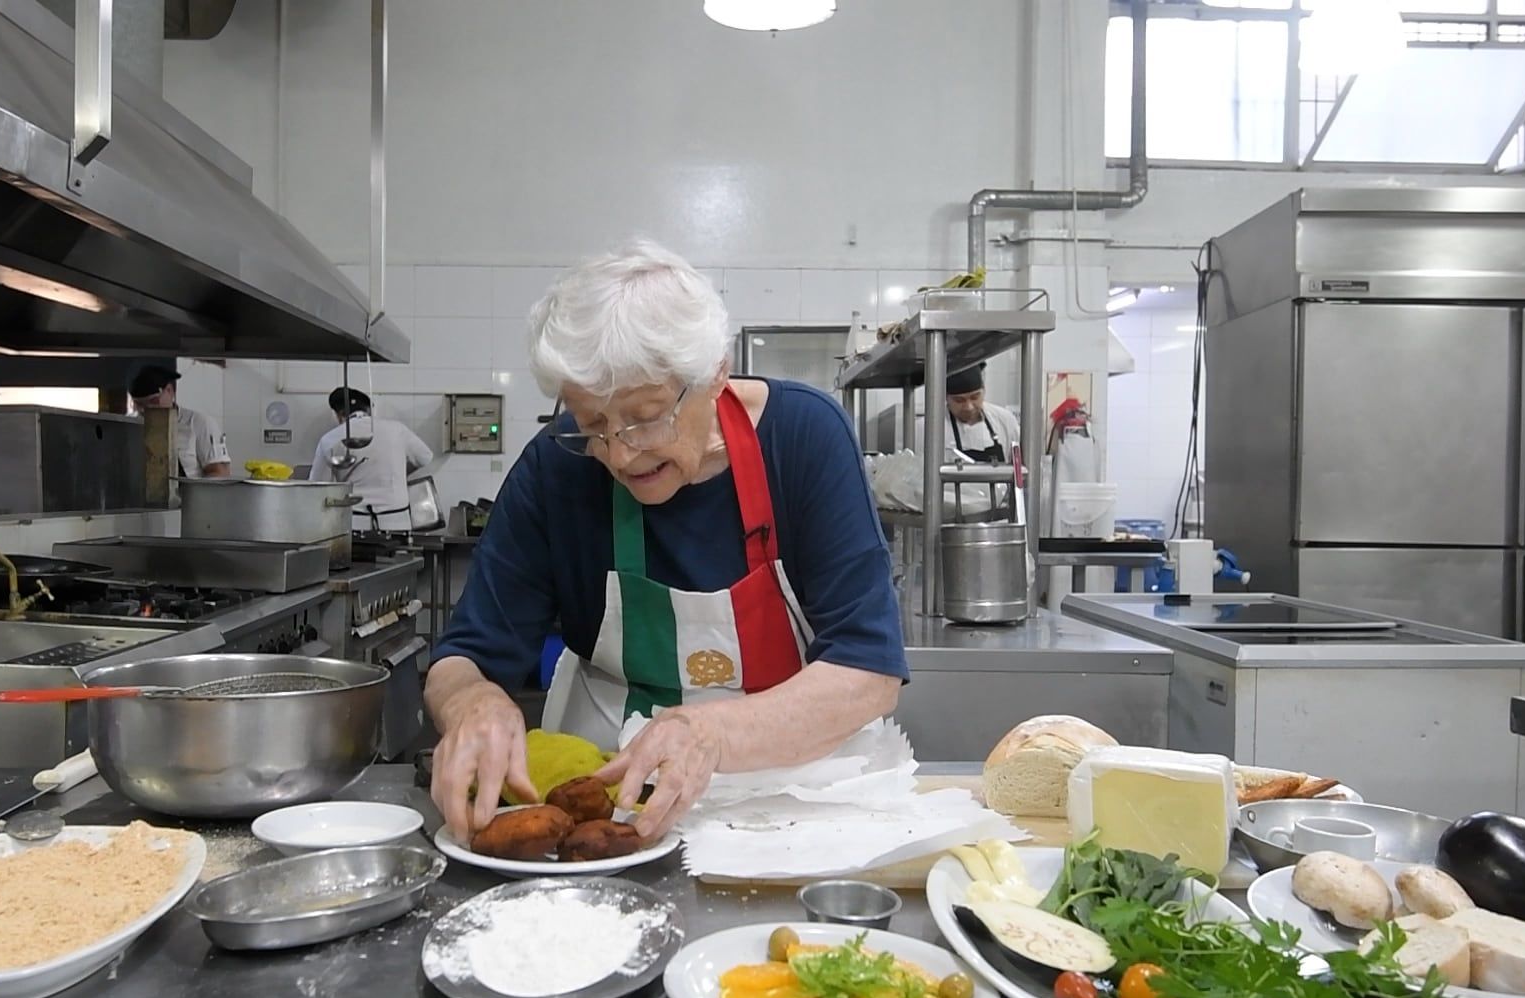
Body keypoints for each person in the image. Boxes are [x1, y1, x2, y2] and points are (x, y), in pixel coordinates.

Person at [426, 240, 906, 845]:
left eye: (646, 415)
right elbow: (462, 655)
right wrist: (471, 701)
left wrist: (712, 733)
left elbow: (867, 671)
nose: (620, 454)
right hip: (607, 806)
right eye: (592, 426)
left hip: (788, 795)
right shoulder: (555, 466)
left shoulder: (805, 437)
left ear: (715, 375)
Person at [309, 386, 434, 532]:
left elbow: (317, 486)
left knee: (355, 556)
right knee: (396, 555)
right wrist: (399, 474)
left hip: (354, 523)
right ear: (369, 409)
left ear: (339, 414)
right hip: (396, 522)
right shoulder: (397, 430)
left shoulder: (329, 439)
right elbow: (425, 457)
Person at [129, 363, 230, 478]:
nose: (146, 409)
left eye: (153, 401)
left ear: (169, 391)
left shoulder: (198, 423)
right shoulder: (132, 426)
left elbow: (220, 473)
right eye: (139, 404)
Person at [941, 363, 1020, 465]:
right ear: (946, 398)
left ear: (984, 391)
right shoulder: (929, 428)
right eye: (959, 400)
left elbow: (1019, 470)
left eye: (975, 397)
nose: (969, 407)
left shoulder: (1005, 421)